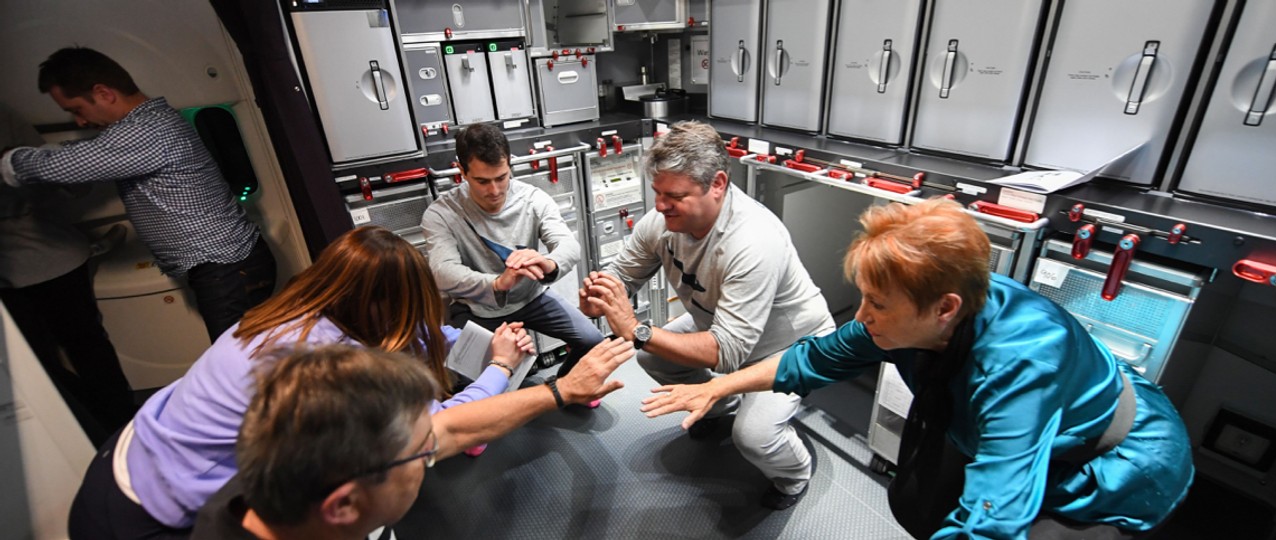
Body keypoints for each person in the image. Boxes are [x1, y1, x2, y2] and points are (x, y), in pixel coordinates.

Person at [641, 199, 1193, 539]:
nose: (861, 316)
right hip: (1014, 429)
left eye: (876, 304)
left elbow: (992, 517)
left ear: (944, 308)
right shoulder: (920, 307)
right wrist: (719, 389)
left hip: (1117, 459)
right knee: (918, 505)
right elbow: (816, 357)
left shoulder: (1021, 364)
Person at [64, 226, 554, 539]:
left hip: (121, 458)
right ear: (383, 309)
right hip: (150, 515)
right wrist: (500, 369)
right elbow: (432, 431)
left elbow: (415, 332)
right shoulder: (325, 363)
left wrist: (474, 341)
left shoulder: (295, 311)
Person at [579, 120, 835, 510]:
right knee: (652, 355)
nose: (661, 205)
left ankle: (794, 475)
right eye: (657, 192)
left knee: (754, 436)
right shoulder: (662, 223)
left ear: (717, 184)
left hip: (790, 345)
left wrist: (637, 330)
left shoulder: (753, 240)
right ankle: (719, 408)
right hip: (721, 328)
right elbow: (623, 274)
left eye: (675, 196)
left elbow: (727, 353)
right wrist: (599, 294)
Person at [190, 340, 632, 540]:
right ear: (343, 505)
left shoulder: (279, 483)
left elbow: (451, 427)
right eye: (424, 454)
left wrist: (559, 391)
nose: (434, 449)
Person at [0, 46, 277, 343]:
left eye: (76, 109)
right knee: (246, 359)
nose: (79, 122)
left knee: (239, 367)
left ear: (104, 93)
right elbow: (85, 154)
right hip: (228, 267)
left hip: (228, 271)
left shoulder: (146, 130)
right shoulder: (144, 124)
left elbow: (66, 165)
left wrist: (8, 161)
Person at [421, 123, 603, 382]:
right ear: (461, 171)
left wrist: (547, 262)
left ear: (510, 167)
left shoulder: (532, 198)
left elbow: (569, 246)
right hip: (477, 308)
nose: (494, 191)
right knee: (459, 378)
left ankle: (561, 386)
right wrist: (496, 283)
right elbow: (442, 271)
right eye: (482, 181)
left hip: (532, 298)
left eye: (501, 177)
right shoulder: (441, 213)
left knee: (592, 340)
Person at [0, 102, 135, 446]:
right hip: (45, 257)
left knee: (52, 361)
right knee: (79, 352)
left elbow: (51, 169)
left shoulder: (5, 114)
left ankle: (105, 431)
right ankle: (117, 429)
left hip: (47, 256)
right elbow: (56, 175)